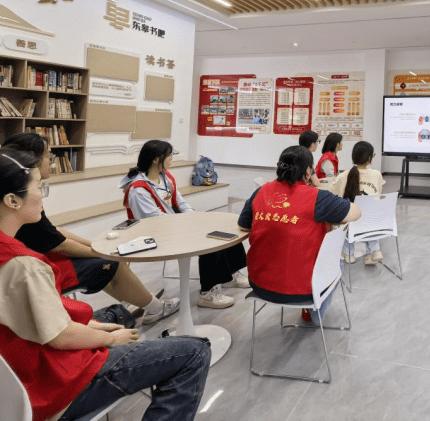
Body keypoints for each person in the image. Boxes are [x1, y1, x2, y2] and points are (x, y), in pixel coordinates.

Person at [0, 148, 211, 421]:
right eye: (39, 187)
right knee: (196, 351)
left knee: (119, 314)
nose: (42, 195)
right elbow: (61, 336)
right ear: (12, 201)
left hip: (18, 369)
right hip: (53, 384)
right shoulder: (23, 265)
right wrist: (109, 339)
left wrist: (92, 328)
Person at [3, 133, 178, 325]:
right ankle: (154, 308)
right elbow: (58, 243)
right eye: (48, 156)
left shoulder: (22, 202)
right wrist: (100, 251)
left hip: (42, 259)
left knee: (105, 259)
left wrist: (94, 245)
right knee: (110, 262)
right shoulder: (23, 207)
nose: (51, 162)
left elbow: (52, 232)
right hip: (45, 266)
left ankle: (137, 299)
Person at [238, 146, 361, 324]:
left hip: (259, 285)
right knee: (339, 261)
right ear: (309, 171)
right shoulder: (318, 198)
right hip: (304, 291)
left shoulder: (261, 191)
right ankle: (315, 313)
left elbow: (243, 225)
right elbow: (355, 213)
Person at [120, 140, 248, 310]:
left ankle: (230, 275)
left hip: (174, 224)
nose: (171, 159)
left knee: (224, 229)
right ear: (156, 159)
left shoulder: (165, 177)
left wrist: (195, 217)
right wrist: (190, 226)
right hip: (156, 234)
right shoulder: (138, 190)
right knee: (210, 241)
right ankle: (207, 294)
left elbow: (180, 203)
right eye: (169, 155)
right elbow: (155, 221)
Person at [329, 141, 385, 264]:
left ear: (353, 156)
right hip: (373, 223)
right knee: (368, 213)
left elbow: (334, 194)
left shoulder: (343, 176)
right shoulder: (377, 175)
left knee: (345, 215)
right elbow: (378, 195)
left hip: (351, 223)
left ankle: (349, 254)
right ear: (369, 158)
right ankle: (375, 250)